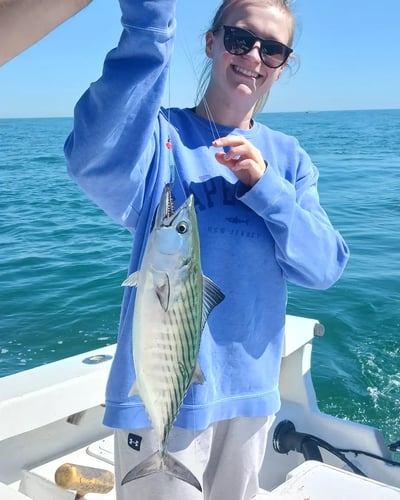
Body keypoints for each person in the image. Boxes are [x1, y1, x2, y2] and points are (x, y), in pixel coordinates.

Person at [64, 0, 349, 498]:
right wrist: (149, 25)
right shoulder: (162, 137)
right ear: (211, 42)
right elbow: (92, 155)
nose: (254, 57)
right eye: (240, 39)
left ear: (283, 66)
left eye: (274, 49)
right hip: (161, 391)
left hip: (252, 399)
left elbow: (323, 266)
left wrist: (267, 187)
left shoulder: (290, 159)